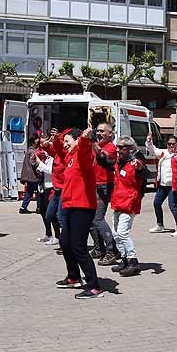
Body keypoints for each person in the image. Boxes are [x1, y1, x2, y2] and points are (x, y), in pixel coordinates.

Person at [57, 127, 105, 299]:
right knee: (65, 242)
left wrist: (84, 139)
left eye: (68, 141)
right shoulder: (70, 157)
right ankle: (74, 277)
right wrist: (56, 139)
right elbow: (58, 151)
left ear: (77, 141)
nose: (65, 144)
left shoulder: (83, 156)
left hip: (83, 206)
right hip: (70, 205)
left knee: (79, 246)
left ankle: (94, 286)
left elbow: (84, 149)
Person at [110, 136, 146, 277]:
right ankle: (124, 259)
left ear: (130, 148)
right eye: (118, 147)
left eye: (122, 147)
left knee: (123, 233)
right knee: (115, 233)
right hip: (118, 201)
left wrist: (140, 168)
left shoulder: (135, 163)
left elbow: (145, 173)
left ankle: (133, 262)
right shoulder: (119, 162)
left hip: (129, 202)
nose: (119, 149)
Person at [90, 123, 119, 265]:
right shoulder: (97, 144)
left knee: (98, 219)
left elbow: (103, 157)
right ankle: (99, 248)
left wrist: (92, 141)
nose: (99, 133)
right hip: (93, 185)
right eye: (98, 130)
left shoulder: (111, 147)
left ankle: (111, 250)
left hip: (103, 186)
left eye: (102, 131)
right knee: (91, 220)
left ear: (110, 134)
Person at [146, 134, 177, 236]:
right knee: (156, 203)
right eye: (169, 144)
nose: (171, 146)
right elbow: (153, 150)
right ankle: (160, 225)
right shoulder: (163, 152)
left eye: (173, 144)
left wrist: (176, 153)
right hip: (163, 185)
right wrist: (149, 141)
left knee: (172, 206)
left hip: (173, 185)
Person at [33, 134, 59, 245]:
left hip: (51, 186)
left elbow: (53, 171)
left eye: (45, 143)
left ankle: (57, 235)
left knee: (51, 213)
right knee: (42, 211)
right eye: (41, 143)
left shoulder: (54, 156)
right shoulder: (41, 154)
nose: (42, 146)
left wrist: (41, 164)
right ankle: (48, 234)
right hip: (41, 185)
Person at [44, 128, 67, 248]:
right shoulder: (57, 154)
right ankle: (59, 237)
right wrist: (48, 140)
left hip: (64, 190)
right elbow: (46, 147)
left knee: (61, 218)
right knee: (49, 215)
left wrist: (57, 139)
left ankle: (66, 241)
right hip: (56, 190)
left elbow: (58, 147)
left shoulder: (65, 154)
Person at [18, 136, 41, 214]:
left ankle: (23, 207)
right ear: (33, 142)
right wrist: (40, 166)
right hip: (33, 176)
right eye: (37, 141)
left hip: (28, 176)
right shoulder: (32, 151)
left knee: (29, 192)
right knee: (38, 191)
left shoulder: (29, 150)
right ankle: (39, 207)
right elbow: (33, 162)